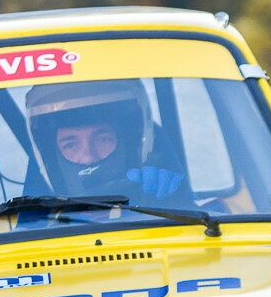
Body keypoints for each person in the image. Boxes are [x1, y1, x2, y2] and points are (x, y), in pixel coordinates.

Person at [25, 78, 188, 205]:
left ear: (134, 145)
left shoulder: (167, 204)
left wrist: (176, 205)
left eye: (103, 139)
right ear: (51, 158)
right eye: (71, 145)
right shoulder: (34, 232)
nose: (89, 157)